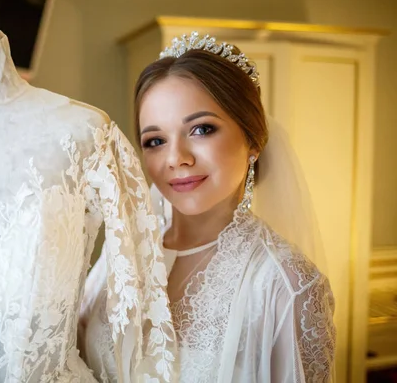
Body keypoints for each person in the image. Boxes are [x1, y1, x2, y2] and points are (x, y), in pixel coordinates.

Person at [80, 32, 336, 382]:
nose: (176, 159)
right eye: (155, 141)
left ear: (252, 141)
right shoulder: (122, 250)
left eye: (201, 129)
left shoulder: (285, 284)